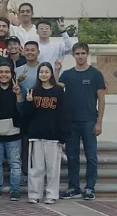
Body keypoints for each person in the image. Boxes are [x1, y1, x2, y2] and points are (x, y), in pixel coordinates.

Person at [60, 43, 106, 201]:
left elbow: (101, 99)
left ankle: (89, 187)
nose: (80, 56)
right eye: (77, 53)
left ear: (87, 54)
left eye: (83, 53)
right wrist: (56, 70)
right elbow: (55, 89)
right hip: (70, 122)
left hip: (89, 121)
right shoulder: (66, 74)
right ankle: (74, 187)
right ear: (73, 55)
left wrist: (99, 122)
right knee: (72, 156)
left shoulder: (95, 74)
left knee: (91, 156)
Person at [23, 63, 71, 204]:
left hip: (53, 135)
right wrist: (29, 102)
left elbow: (63, 113)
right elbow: (27, 115)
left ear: (51, 74)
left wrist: (63, 135)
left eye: (46, 71)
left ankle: (51, 194)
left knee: (52, 168)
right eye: (41, 72)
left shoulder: (58, 91)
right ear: (38, 74)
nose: (43, 74)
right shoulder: (33, 90)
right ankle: (35, 194)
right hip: (36, 135)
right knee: (36, 168)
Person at [0, 63, 24, 201]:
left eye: (7, 72)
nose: (3, 74)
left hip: (13, 133)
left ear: (11, 74)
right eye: (1, 71)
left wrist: (18, 94)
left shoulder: (18, 89)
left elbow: (22, 110)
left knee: (15, 163)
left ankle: (15, 190)